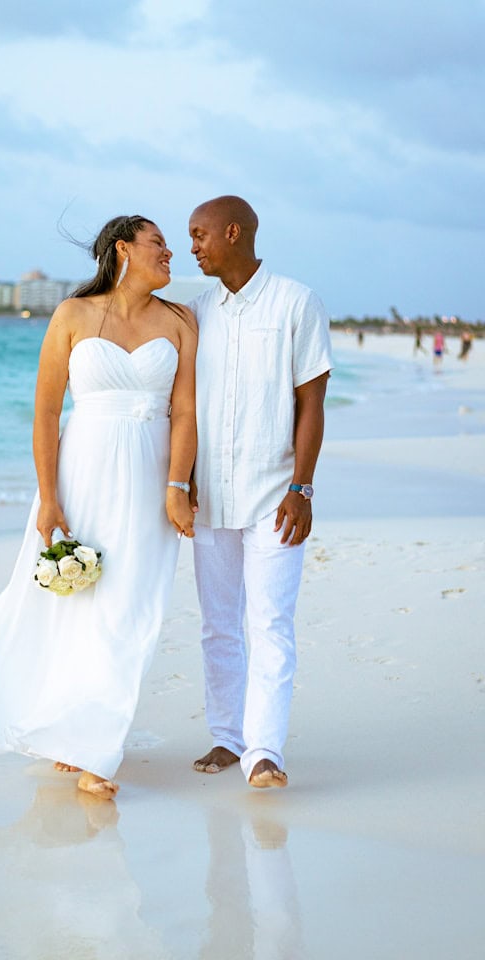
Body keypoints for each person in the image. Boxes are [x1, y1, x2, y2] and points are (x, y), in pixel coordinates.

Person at [0, 215, 197, 799]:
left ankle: (96, 747)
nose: (170, 252)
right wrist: (49, 497)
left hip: (149, 480)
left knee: (131, 611)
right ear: (123, 249)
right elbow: (47, 411)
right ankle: (75, 734)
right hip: (81, 474)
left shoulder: (180, 322)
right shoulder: (72, 315)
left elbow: (188, 411)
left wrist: (177, 486)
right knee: (74, 606)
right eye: (157, 243)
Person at [187, 196, 332, 789]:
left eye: (198, 235)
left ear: (233, 232)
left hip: (276, 493)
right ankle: (228, 736)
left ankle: (264, 752)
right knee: (218, 623)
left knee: (270, 622)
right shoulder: (198, 311)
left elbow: (312, 402)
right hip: (210, 497)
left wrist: (303, 486)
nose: (192, 245)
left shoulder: (296, 302)